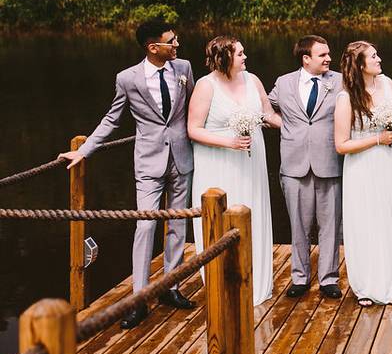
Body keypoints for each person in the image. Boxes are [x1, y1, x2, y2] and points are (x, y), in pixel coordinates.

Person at [59, 19, 197, 329]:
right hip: (148, 163)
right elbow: (112, 119)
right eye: (171, 41)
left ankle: (170, 288)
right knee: (145, 226)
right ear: (153, 47)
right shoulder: (127, 79)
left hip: (181, 158)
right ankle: (139, 299)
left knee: (177, 224)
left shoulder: (184, 69)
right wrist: (84, 151)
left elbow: (194, 109)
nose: (177, 45)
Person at [188, 36, 280, 306]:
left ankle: (256, 281)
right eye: (240, 53)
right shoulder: (206, 86)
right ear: (224, 57)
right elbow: (193, 129)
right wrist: (229, 141)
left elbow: (268, 114)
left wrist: (293, 128)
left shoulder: (253, 80)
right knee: (221, 217)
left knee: (253, 211)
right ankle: (223, 283)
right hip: (218, 162)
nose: (245, 57)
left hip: (250, 162)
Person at [334, 41, 392, 306]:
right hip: (362, 168)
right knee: (367, 223)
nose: (379, 58)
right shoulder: (346, 98)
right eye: (373, 56)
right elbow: (341, 145)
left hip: (391, 162)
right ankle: (368, 286)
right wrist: (377, 140)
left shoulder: (387, 84)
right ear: (360, 65)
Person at [268, 35, 344, 300]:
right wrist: (284, 125)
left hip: (329, 161)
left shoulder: (340, 81)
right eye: (322, 55)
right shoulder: (284, 83)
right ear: (306, 59)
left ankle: (329, 279)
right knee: (298, 225)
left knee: (330, 224)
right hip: (294, 162)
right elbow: (267, 107)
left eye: (328, 54)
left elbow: (363, 103)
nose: (328, 59)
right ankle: (299, 278)